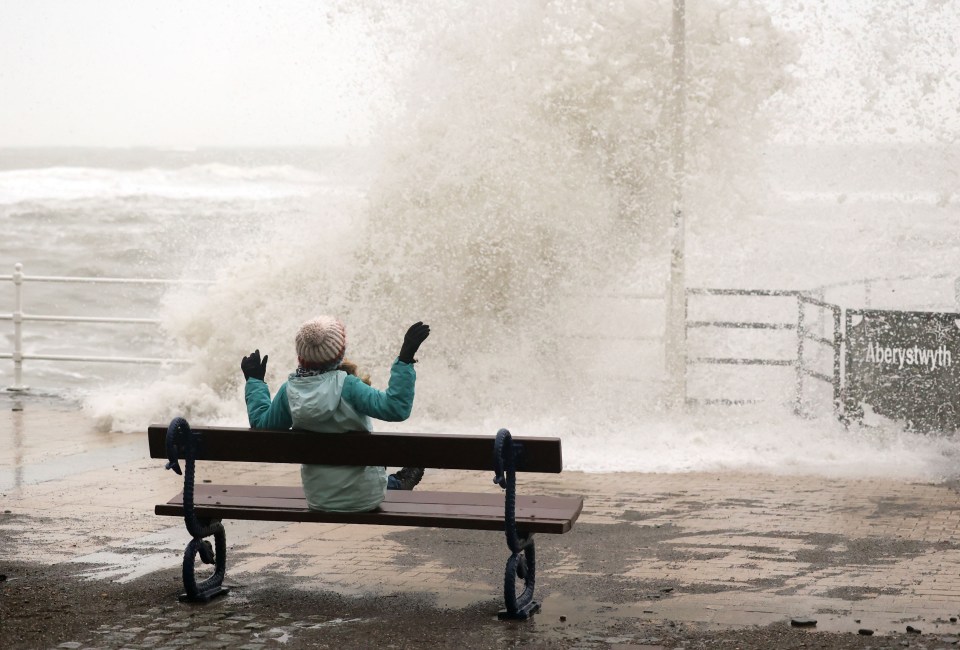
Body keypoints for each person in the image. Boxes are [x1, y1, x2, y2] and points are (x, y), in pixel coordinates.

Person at [241, 316, 431, 512]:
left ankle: (397, 482)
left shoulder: (289, 392)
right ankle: (397, 483)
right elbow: (396, 408)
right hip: (367, 497)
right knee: (368, 476)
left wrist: (254, 381)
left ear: (301, 357)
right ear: (340, 353)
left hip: (319, 498)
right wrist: (405, 358)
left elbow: (262, 426)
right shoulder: (349, 386)